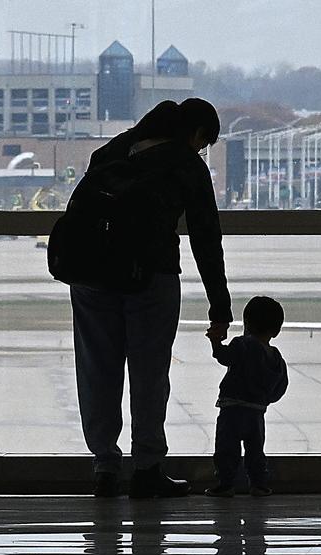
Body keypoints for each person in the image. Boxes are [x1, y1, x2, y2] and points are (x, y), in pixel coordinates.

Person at [72, 98, 232, 498]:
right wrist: (220, 306)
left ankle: (104, 468)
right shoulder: (185, 164)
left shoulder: (110, 151)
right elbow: (206, 239)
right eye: (204, 142)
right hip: (152, 278)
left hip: (91, 276)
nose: (201, 150)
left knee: (97, 374)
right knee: (148, 375)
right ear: (196, 133)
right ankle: (146, 469)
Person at [204, 296, 288, 498]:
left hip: (232, 409)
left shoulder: (242, 344)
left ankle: (226, 484)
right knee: (255, 451)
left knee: (227, 449)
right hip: (257, 413)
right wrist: (264, 400)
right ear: (276, 331)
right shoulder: (275, 357)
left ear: (247, 324)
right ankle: (258, 484)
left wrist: (216, 343)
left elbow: (225, 357)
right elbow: (280, 387)